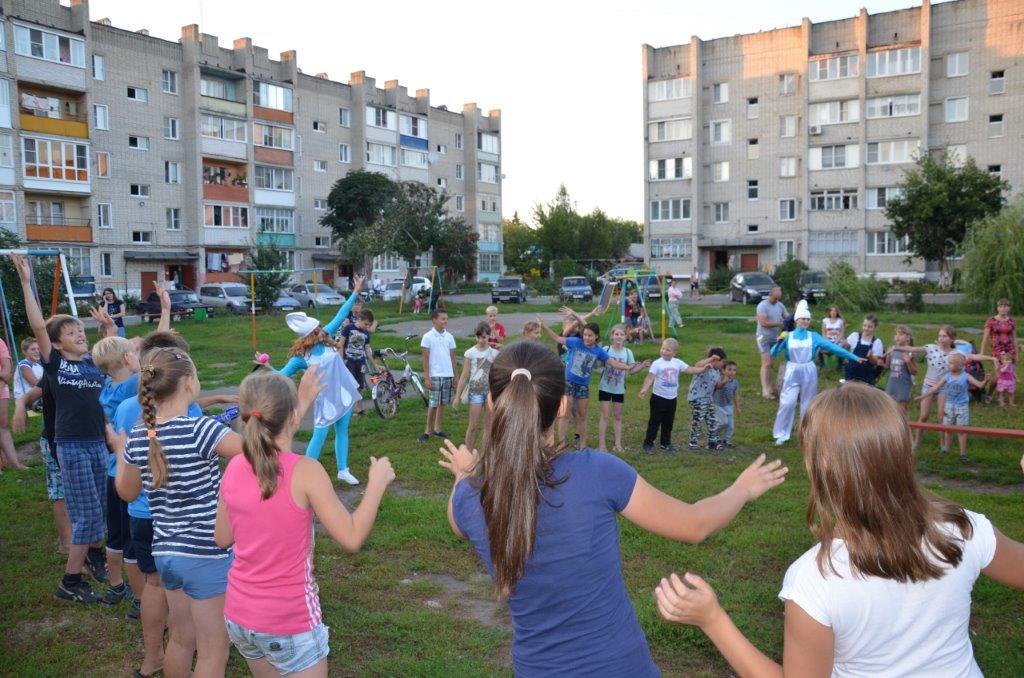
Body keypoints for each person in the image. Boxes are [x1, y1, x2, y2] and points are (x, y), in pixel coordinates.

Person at [438, 340, 788, 677]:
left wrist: (465, 472)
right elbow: (694, 524)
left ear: (492, 404)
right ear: (562, 405)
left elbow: (457, 521)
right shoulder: (598, 472)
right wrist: (742, 489)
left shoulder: (468, 499)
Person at [654, 382, 1024, 677]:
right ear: (899, 450)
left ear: (822, 467)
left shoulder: (815, 581)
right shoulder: (964, 529)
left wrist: (713, 619)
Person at [119, 349, 319, 678]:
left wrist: (120, 449)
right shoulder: (202, 431)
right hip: (205, 556)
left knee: (182, 640)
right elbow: (265, 451)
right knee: (214, 651)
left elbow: (127, 493)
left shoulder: (142, 434)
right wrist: (299, 403)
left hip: (166, 554)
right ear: (188, 384)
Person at [215, 370, 394, 677]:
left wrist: (302, 402)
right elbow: (351, 538)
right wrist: (376, 484)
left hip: (240, 616)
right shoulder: (307, 471)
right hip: (289, 620)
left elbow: (221, 538)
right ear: (294, 418)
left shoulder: (234, 467)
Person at [12, 253, 109, 601]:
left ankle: (95, 557)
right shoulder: (54, 365)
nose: (79, 334)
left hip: (99, 443)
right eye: (71, 332)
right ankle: (70, 582)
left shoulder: (93, 365)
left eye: (80, 329)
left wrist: (107, 327)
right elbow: (39, 326)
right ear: (56, 343)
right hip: (72, 446)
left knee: (99, 511)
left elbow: (116, 351)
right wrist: (26, 283)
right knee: (84, 517)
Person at [275, 275, 365, 485]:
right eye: (316, 330)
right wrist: (266, 367)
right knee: (320, 435)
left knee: (343, 430)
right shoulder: (301, 358)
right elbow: (280, 376)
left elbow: (341, 313)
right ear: (309, 336)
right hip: (325, 398)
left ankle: (343, 469)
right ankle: (304, 473)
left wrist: (355, 291)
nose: (321, 330)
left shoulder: (325, 336)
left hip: (343, 391)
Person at [92, 336, 143, 609]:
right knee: (134, 538)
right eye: (135, 354)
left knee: (116, 534)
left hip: (113, 471)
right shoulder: (133, 384)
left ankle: (115, 586)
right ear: (127, 359)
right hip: (130, 470)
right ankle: (139, 598)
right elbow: (161, 372)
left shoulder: (107, 386)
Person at [771, 300, 862, 446]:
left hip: (808, 370)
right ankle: (781, 434)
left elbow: (833, 348)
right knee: (787, 402)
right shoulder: (788, 336)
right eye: (802, 319)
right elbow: (773, 352)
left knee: (808, 404)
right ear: (796, 320)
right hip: (792, 369)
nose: (805, 321)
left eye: (807, 319)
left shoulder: (814, 336)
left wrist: (853, 357)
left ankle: (807, 434)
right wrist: (779, 342)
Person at [538, 314, 631, 450]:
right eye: (585, 335)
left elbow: (612, 363)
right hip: (568, 382)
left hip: (583, 387)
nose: (587, 338)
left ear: (596, 337)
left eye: (590, 336)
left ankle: (582, 444)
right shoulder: (576, 342)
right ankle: (562, 443)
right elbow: (558, 338)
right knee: (565, 413)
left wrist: (627, 367)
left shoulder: (598, 351)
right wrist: (544, 326)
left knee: (582, 416)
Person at [895, 326, 995, 450]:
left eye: (944, 336)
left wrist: (992, 358)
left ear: (952, 339)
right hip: (928, 385)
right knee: (924, 416)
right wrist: (895, 347)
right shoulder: (931, 348)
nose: (941, 339)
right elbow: (912, 348)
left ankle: (943, 443)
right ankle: (916, 440)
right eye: (940, 336)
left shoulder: (956, 353)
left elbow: (974, 357)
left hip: (944, 388)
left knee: (941, 417)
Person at [638, 338, 711, 453]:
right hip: (658, 398)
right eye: (662, 348)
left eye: (668, 350)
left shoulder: (677, 363)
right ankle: (648, 443)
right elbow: (650, 377)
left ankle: (665, 443)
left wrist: (703, 369)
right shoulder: (657, 363)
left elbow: (691, 369)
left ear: (674, 352)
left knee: (668, 422)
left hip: (672, 399)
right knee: (654, 422)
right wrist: (644, 389)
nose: (664, 351)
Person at [916, 353, 989, 460]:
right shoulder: (947, 376)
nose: (948, 365)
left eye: (951, 363)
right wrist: (923, 396)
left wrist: (985, 381)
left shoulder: (966, 376)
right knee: (947, 429)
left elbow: (980, 385)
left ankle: (963, 454)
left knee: (962, 430)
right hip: (949, 406)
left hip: (962, 407)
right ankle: (947, 450)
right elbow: (935, 388)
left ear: (959, 366)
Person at [596, 324, 650, 453]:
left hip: (619, 389)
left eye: (621, 334)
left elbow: (631, 371)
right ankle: (602, 445)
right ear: (612, 337)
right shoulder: (606, 349)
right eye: (616, 334)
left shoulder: (628, 352)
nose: (619, 337)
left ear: (626, 337)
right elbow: (597, 364)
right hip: (605, 387)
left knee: (618, 416)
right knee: (604, 415)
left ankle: (618, 444)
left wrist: (641, 366)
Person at [454, 322, 499, 450]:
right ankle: (468, 452)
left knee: (489, 425)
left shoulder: (494, 354)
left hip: (490, 393)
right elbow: (464, 376)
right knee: (473, 425)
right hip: (475, 393)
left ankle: (487, 452)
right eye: (478, 337)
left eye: (484, 337)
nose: (481, 340)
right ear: (475, 336)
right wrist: (457, 396)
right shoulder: (470, 353)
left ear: (489, 336)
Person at [419, 307, 457, 443]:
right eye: (442, 319)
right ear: (434, 320)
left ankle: (437, 429)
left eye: (446, 319)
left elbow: (453, 358)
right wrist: (427, 377)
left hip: (448, 375)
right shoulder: (427, 337)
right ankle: (427, 431)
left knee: (442, 403)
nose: (445, 321)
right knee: (433, 404)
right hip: (435, 375)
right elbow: (425, 358)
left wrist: (455, 377)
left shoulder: (449, 337)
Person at [338, 309, 381, 417]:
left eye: (369, 325)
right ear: (359, 319)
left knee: (359, 385)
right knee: (349, 385)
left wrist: (374, 363)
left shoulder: (366, 333)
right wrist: (341, 360)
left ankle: (359, 409)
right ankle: (345, 410)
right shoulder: (348, 328)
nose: (367, 327)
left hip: (360, 362)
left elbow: (367, 349)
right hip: (349, 361)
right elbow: (341, 344)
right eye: (366, 324)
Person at [687, 347, 727, 451]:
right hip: (697, 398)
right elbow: (696, 365)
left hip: (709, 399)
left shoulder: (717, 372)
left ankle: (712, 441)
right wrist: (710, 359)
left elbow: (718, 385)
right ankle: (693, 441)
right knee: (698, 419)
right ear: (716, 360)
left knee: (712, 420)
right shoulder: (704, 366)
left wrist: (725, 380)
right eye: (722, 361)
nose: (723, 364)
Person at [755, 286, 787, 399]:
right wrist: (779, 324)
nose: (776, 301)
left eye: (778, 298)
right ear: (771, 294)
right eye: (775, 298)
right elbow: (763, 323)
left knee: (770, 364)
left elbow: (787, 318)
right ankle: (765, 390)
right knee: (766, 363)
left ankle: (770, 387)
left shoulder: (780, 305)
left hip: (775, 338)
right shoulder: (762, 306)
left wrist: (795, 319)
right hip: (762, 337)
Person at [0, 336, 24, 471]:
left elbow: (6, 367)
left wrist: (1, 383)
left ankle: (15, 464)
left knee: (2, 425)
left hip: (0, 385)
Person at [842, 314, 884, 385]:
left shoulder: (877, 342)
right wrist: (843, 342)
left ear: (875, 327)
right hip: (851, 372)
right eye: (864, 325)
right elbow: (844, 347)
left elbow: (875, 363)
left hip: (866, 375)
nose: (866, 328)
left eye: (870, 327)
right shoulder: (854, 336)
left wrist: (870, 356)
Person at [884, 325, 918, 412]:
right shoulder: (893, 349)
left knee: (902, 411)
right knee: (889, 410)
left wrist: (908, 362)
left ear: (908, 338)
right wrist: (887, 356)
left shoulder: (911, 351)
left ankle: (903, 425)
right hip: (892, 384)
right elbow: (887, 367)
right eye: (896, 334)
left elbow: (914, 372)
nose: (897, 336)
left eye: (900, 334)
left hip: (903, 385)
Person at [980, 298, 1016, 363]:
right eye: (1000, 306)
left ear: (1009, 308)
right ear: (997, 308)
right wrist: (982, 353)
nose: (1003, 308)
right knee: (999, 372)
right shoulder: (991, 321)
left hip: (1010, 351)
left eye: (1005, 306)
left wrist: (1016, 354)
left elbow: (1014, 338)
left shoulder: (1012, 321)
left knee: (1010, 372)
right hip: (998, 351)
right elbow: (985, 338)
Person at [714, 361, 740, 448]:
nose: (732, 372)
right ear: (723, 371)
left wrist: (737, 407)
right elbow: (718, 386)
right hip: (719, 405)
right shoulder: (720, 379)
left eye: (734, 370)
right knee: (723, 422)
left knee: (730, 425)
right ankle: (713, 434)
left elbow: (736, 395)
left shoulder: (735, 382)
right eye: (729, 369)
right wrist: (724, 381)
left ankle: (726, 440)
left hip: (729, 405)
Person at [13, 337, 43, 411]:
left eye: (38, 349)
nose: (37, 351)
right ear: (24, 352)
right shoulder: (23, 365)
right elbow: (36, 384)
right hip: (25, 398)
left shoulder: (39, 366)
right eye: (33, 349)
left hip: (37, 396)